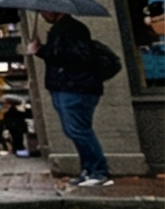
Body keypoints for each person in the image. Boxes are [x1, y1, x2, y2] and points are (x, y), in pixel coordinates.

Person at [32, 11, 120, 187]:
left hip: (75, 87)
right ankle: (89, 170)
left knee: (78, 130)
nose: (42, 14)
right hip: (69, 87)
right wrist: (43, 50)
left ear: (57, 10)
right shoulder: (63, 29)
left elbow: (76, 57)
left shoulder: (71, 29)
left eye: (44, 11)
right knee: (75, 130)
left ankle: (98, 170)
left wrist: (41, 50)